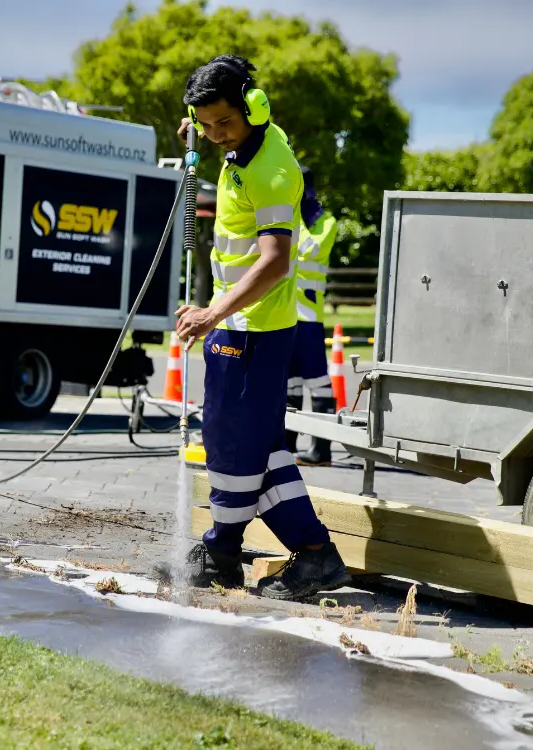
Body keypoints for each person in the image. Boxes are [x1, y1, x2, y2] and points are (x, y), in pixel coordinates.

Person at [163, 54, 351, 601]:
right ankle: (255, 554)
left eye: (226, 122)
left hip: (249, 326)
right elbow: (217, 140)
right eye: (206, 123)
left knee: (228, 447)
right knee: (263, 450)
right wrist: (197, 139)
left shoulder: (271, 167)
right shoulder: (243, 144)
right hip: (247, 322)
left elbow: (274, 260)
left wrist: (211, 313)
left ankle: (273, 550)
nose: (217, 134)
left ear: (253, 106)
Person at [284, 166, 339, 467]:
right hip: (285, 314)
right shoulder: (288, 215)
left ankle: (322, 451)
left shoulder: (325, 222)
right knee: (290, 382)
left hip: (307, 316)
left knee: (317, 380)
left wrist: (293, 215)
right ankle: (287, 445)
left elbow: (305, 251)